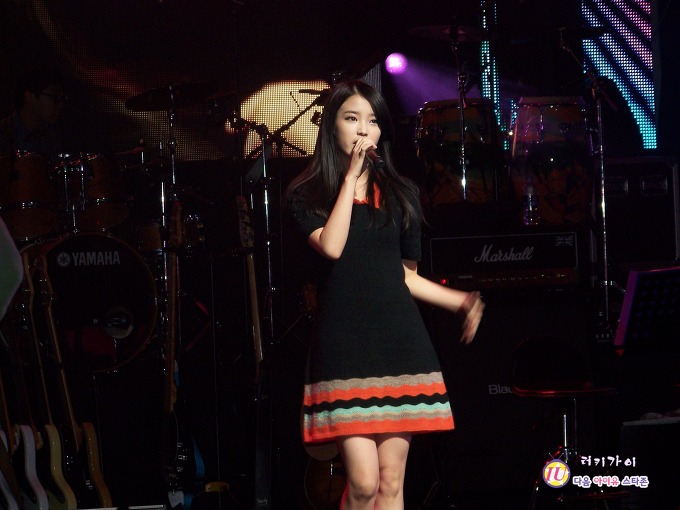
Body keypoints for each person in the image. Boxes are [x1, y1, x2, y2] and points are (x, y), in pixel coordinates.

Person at [285, 80, 484, 510]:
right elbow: (332, 246)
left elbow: (403, 277)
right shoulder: (308, 193)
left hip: (398, 342)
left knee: (391, 482)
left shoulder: (400, 194)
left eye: (373, 121)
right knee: (363, 482)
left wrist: (460, 300)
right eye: (352, 118)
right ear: (332, 126)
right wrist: (351, 180)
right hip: (345, 347)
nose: (364, 130)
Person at [0, 65, 67, 157]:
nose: (60, 105)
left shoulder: (51, 139)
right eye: (54, 97)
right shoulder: (3, 135)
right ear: (29, 97)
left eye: (62, 98)